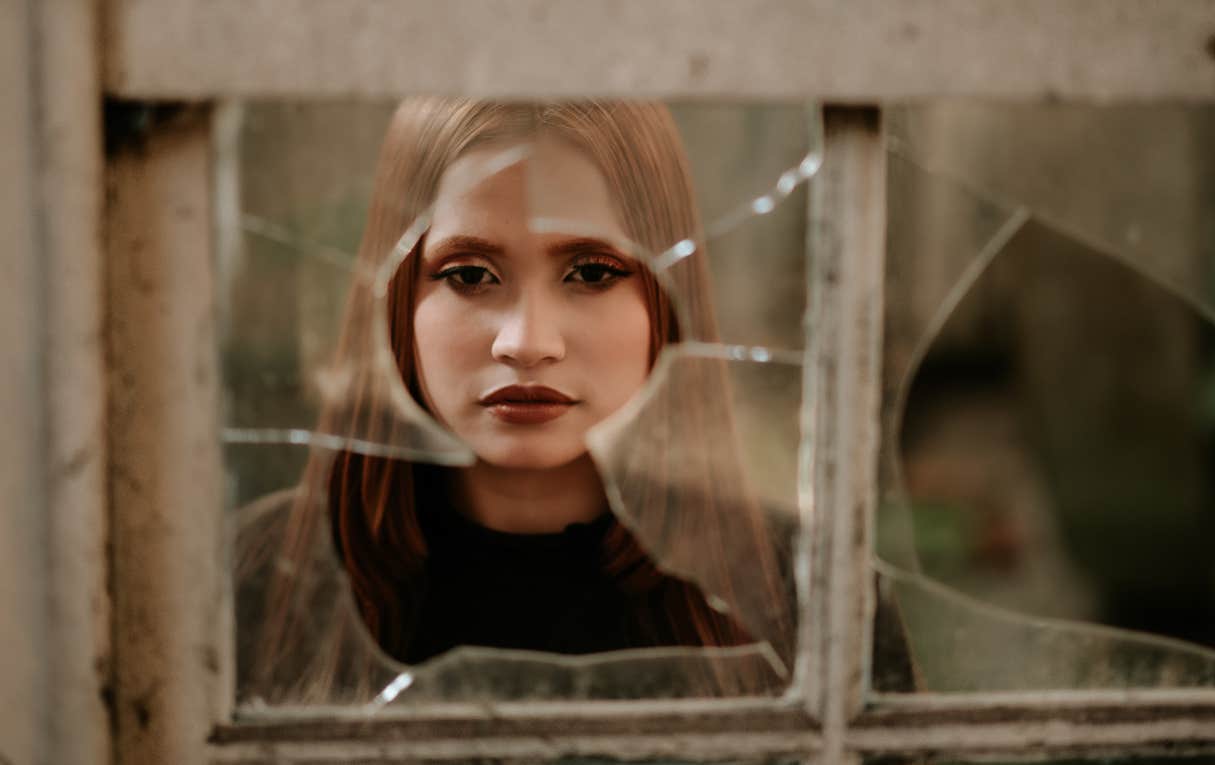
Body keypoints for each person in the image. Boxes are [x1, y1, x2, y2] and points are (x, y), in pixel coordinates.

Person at [234, 99, 803, 704]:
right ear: (397, 296)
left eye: (591, 272)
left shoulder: (802, 587)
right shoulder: (259, 577)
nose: (528, 343)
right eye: (471, 275)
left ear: (667, 297)